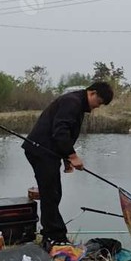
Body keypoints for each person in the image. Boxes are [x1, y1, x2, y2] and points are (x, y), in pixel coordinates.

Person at [23, 81, 114, 249]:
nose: (97, 107)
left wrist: (66, 159)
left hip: (48, 152)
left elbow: (63, 134)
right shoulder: (72, 102)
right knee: (50, 193)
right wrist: (73, 155)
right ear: (92, 93)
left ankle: (52, 234)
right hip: (40, 151)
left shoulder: (77, 103)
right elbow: (60, 131)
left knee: (53, 192)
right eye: (99, 102)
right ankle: (55, 237)